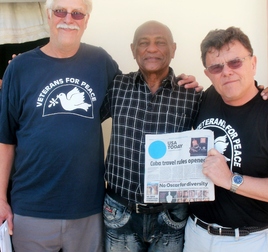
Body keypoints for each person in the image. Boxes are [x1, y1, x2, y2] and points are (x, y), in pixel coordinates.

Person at [0, 1, 200, 251]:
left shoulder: (100, 62)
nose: (68, 19)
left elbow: (144, 89)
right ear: (48, 15)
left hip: (98, 210)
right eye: (60, 11)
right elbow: (6, 138)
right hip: (39, 209)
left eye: (77, 13)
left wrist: (258, 91)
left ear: (86, 20)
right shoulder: (20, 69)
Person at [100, 21, 268, 252]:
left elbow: (236, 94)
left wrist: (263, 92)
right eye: (143, 43)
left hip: (171, 216)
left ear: (174, 49)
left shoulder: (192, 95)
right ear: (133, 49)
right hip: (120, 211)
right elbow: (84, 119)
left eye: (161, 42)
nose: (152, 49)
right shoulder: (116, 86)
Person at [184, 27, 268, 252]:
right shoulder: (205, 98)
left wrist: (231, 180)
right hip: (196, 233)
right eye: (216, 67)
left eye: (235, 62)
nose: (226, 72)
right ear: (208, 74)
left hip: (249, 242)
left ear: (253, 63)